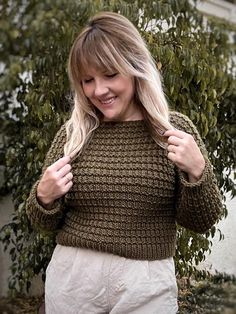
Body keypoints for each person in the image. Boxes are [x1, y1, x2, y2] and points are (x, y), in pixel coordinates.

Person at [26, 11, 222, 314]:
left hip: (145, 283)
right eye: (88, 80)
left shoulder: (172, 131)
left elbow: (202, 221)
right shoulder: (75, 134)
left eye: (110, 75)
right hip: (74, 278)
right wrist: (44, 197)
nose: (98, 90)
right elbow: (42, 222)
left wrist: (198, 172)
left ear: (134, 67)